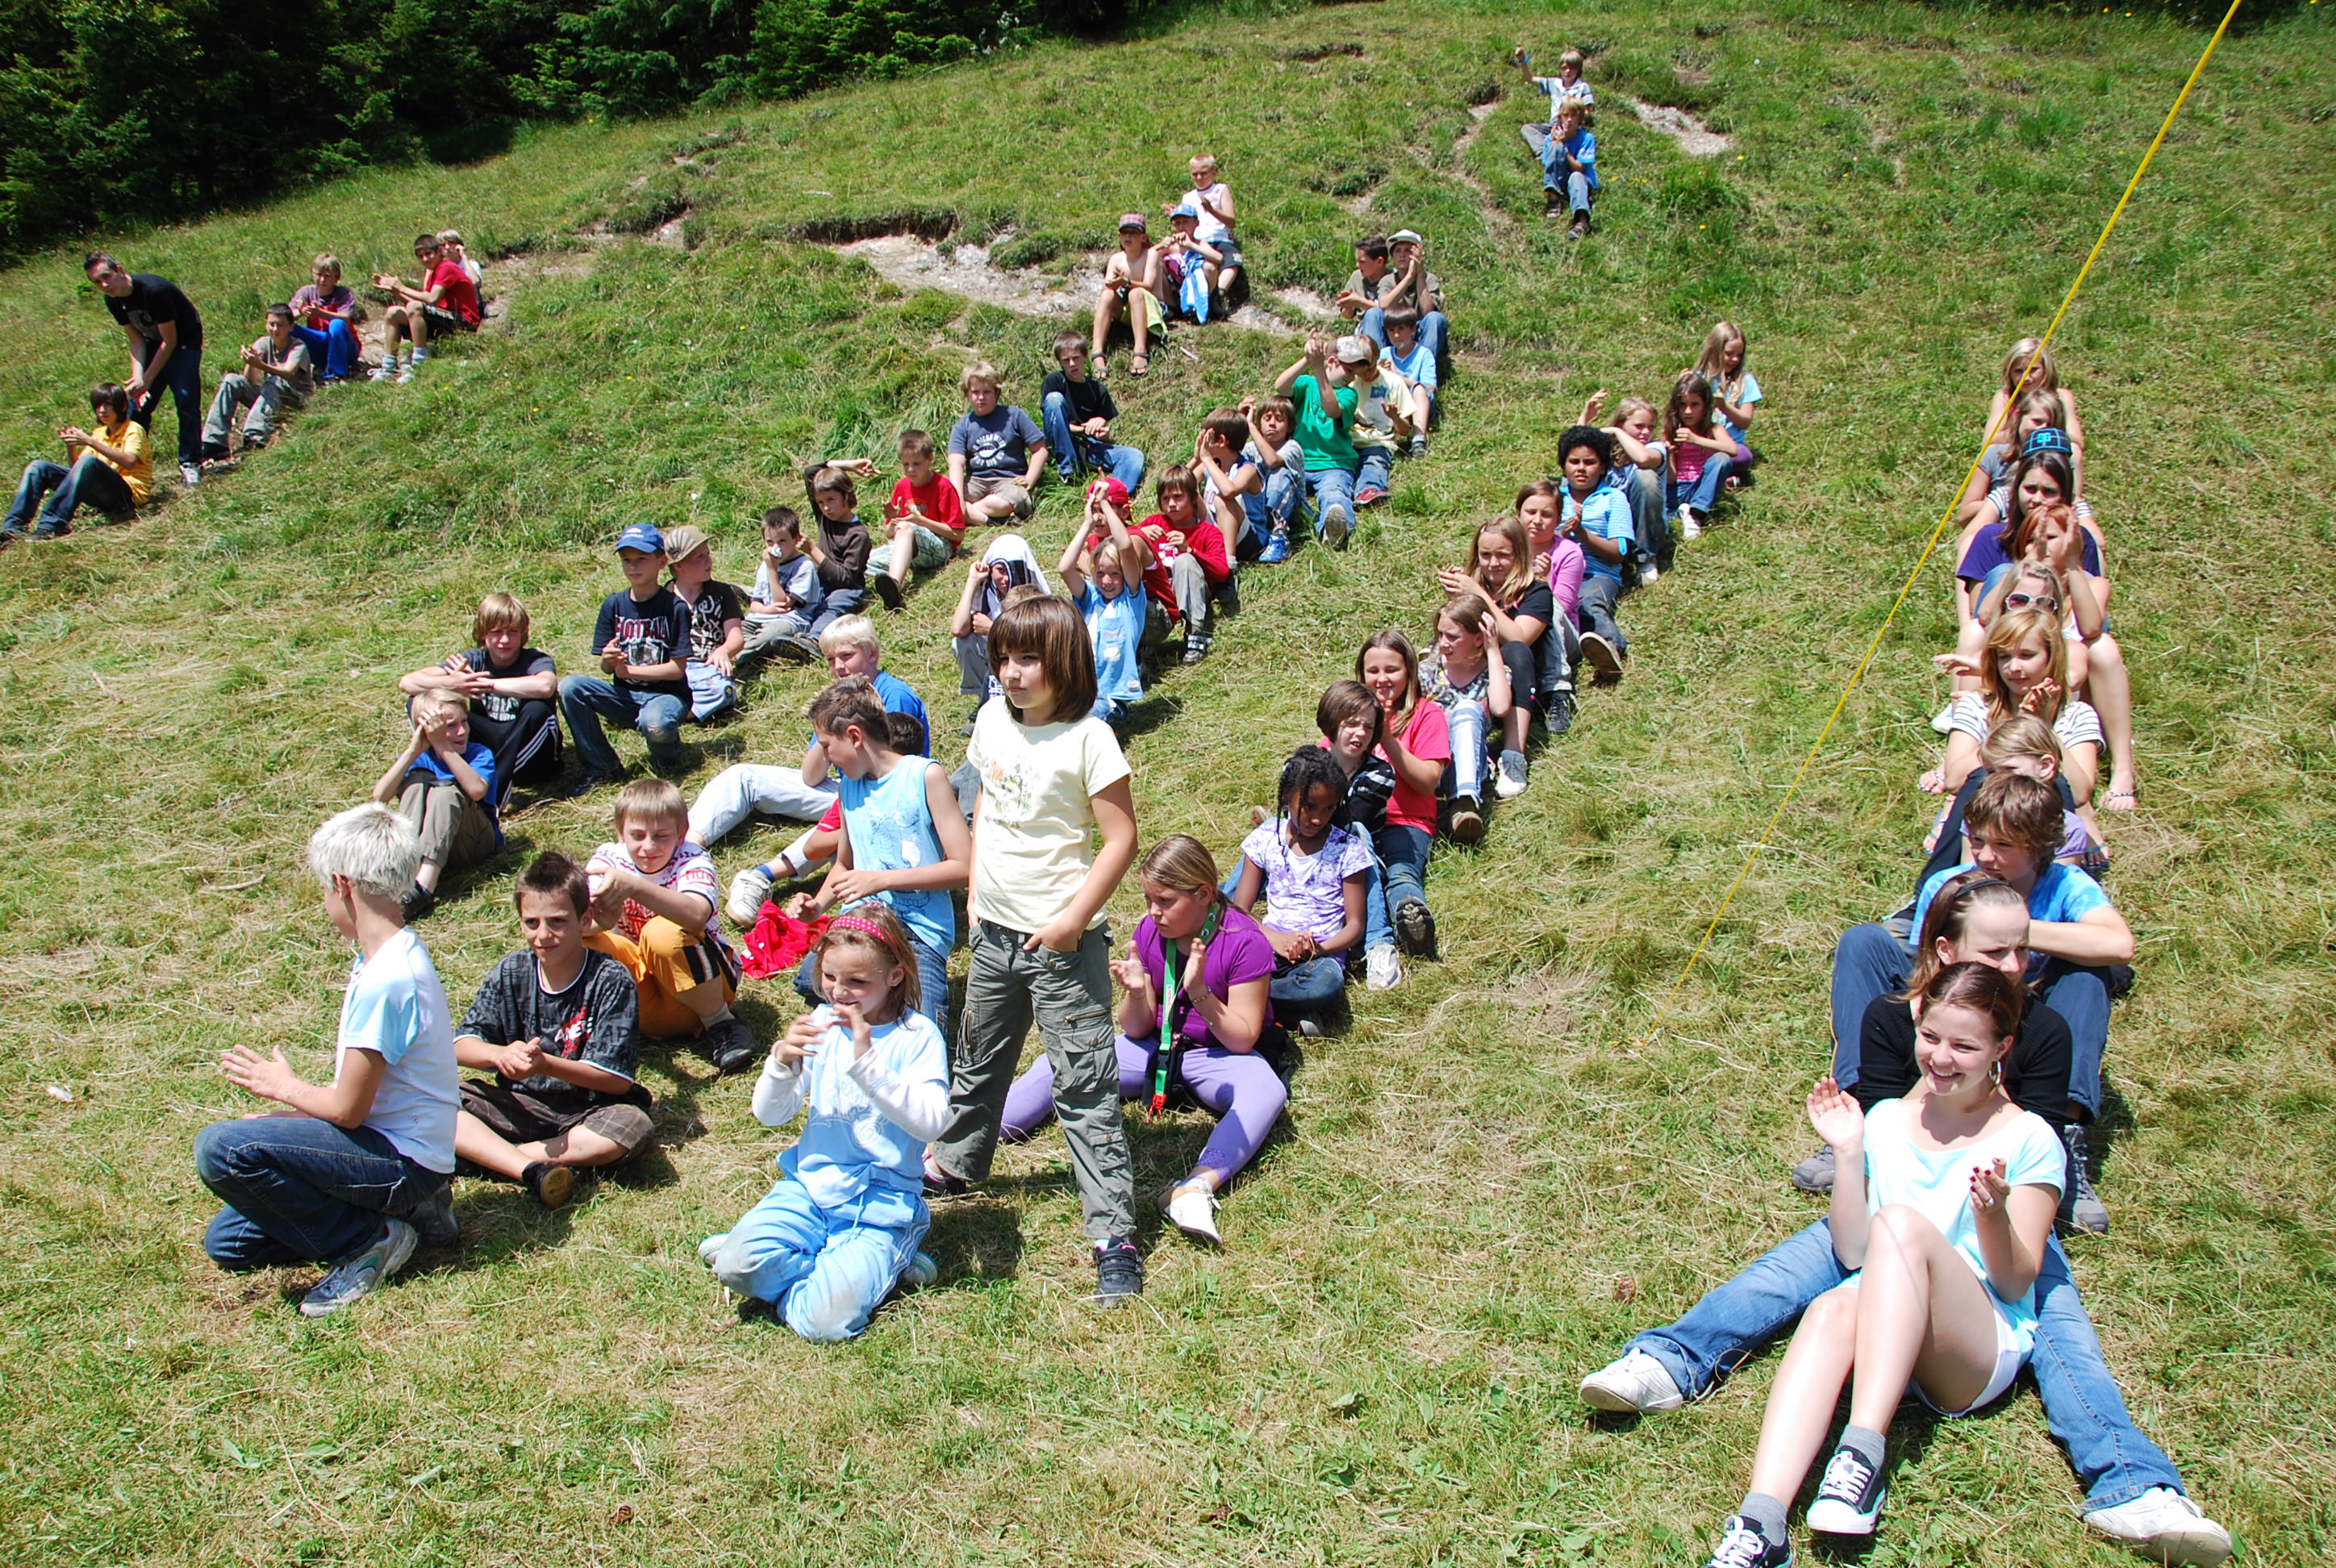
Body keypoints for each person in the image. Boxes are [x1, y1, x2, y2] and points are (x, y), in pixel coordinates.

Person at [1684, 963, 2067, 1564]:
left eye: (1965, 1047)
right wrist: (1848, 1151)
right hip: (1885, 1322)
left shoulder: (2030, 1138)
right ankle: (1762, 1523)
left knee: (1900, 1226)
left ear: (2002, 1048)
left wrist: (1994, 1216)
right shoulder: (1886, 1120)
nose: (1941, 1058)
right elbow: (1854, 1253)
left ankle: (1861, 1452)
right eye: (1931, 1037)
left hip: (1972, 1343)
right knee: (1830, 1306)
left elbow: (2017, 1282)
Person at [924, 597, 1145, 1303]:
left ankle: (1113, 1234)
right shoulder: (992, 720)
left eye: (1027, 659)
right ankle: (957, 1162)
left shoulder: (1090, 739)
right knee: (978, 1058)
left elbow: (1121, 839)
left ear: (1065, 662)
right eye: (1003, 659)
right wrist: (974, 893)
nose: (1011, 674)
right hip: (993, 933)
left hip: (1063, 948)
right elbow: (986, 804)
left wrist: (1073, 921)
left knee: (1084, 1087)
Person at [1821, 772, 2130, 1230]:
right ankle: (1857, 1108)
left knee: (2087, 975)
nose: (1986, 856)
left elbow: (2120, 945)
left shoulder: (2066, 884)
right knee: (1863, 941)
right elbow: (1932, 962)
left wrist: (2010, 931)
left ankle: (2063, 1137)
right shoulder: (1948, 883)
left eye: (2003, 846)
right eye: (1978, 841)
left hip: (2027, 1001)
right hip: (1953, 997)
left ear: (2039, 846)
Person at [190, 805, 457, 1316]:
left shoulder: (388, 979)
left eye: (324, 889)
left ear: (342, 884)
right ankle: (416, 1214)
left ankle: (369, 1242)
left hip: (403, 1161)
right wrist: (290, 1123)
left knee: (221, 1149)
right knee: (230, 1242)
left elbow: (348, 1112)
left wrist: (281, 1087)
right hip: (388, 1149)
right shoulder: (383, 958)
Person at [1003, 834, 1284, 1245]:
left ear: (1204, 895)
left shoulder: (1244, 940)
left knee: (1267, 1091)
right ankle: (973, 1136)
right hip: (1156, 1046)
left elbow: (1242, 1039)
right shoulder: (1150, 931)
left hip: (1218, 1055)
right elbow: (1136, 1029)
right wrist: (1137, 994)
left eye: (1165, 901)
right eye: (1149, 899)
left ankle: (1195, 1187)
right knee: (1063, 1061)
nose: (1154, 911)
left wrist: (1200, 993)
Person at [701, 906, 949, 1341]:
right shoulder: (822, 1023)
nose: (839, 992)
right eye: (830, 977)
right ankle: (831, 1265)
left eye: (857, 982)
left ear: (895, 976)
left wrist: (868, 1063)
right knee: (735, 1266)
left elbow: (932, 1124)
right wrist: (782, 1064)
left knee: (826, 1324)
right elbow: (770, 1115)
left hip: (880, 1206)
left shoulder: (918, 1036)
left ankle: (880, 1256)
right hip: (811, 1189)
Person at [452, 851, 656, 1211]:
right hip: (519, 1106)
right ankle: (534, 1165)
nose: (543, 935)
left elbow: (614, 1081)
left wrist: (545, 1065)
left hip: (589, 1112)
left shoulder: (609, 979)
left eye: (558, 922)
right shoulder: (512, 971)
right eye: (531, 923)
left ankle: (501, 1158)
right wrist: (499, 1054)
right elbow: (461, 1043)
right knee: (431, 1100)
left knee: (632, 1126)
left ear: (585, 919)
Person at [782, 677, 969, 1036]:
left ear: (854, 736)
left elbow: (963, 867)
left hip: (918, 931)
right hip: (861, 925)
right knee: (809, 980)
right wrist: (817, 906)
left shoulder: (924, 776)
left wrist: (881, 880)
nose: (826, 758)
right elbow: (845, 865)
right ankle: (877, 994)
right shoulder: (849, 787)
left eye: (826, 746)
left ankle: (885, 993)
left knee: (926, 1031)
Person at [692, 611, 928, 858]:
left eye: (847, 656)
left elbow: (890, 776)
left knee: (837, 828)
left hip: (878, 794)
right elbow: (811, 777)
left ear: (872, 654)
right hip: (841, 786)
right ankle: (687, 844)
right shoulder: (838, 702)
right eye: (831, 660)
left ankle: (766, 873)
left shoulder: (894, 696)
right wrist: (827, 727)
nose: (838, 667)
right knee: (742, 776)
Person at [585, 779, 755, 1071]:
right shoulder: (608, 859)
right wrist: (600, 922)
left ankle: (722, 1024)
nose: (648, 847)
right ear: (620, 832)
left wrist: (634, 887)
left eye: (661, 836)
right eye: (637, 835)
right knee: (586, 938)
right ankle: (595, 1026)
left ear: (681, 833)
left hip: (702, 995)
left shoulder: (691, 859)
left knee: (661, 932)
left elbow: (696, 914)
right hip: (642, 1002)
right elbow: (575, 924)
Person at [1233, 747, 1373, 1034]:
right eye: (1309, 806)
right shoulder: (1265, 839)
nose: (1318, 818)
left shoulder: (1347, 848)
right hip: (1268, 945)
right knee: (1229, 955)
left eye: (1328, 808)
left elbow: (1355, 926)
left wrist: (1318, 949)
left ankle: (1253, 999)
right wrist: (1274, 939)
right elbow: (1240, 911)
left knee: (1326, 983)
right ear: (1288, 796)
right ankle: (1293, 1011)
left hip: (1319, 958)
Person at [558, 523, 694, 792]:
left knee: (654, 723)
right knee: (569, 687)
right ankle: (602, 765)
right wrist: (609, 660)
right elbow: (607, 668)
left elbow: (677, 670)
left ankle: (667, 760)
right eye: (626, 560)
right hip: (626, 696)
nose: (633, 567)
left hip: (666, 697)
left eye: (641, 559)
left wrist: (629, 672)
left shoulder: (674, 607)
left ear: (661, 562)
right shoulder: (614, 604)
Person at [1926, 608, 2104, 807]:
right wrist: (2015, 727)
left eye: (2027, 655)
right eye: (2004, 657)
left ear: (2051, 657)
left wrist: (2043, 725)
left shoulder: (2078, 715)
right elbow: (1955, 781)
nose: (2014, 667)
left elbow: (2078, 795)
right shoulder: (1976, 706)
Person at [396, 591, 562, 796]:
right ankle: (443, 769)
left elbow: (546, 686)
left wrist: (486, 685)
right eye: (497, 632)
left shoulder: (534, 660)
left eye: (512, 632)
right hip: (489, 745)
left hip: (533, 758)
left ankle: (494, 794)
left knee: (538, 709)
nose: (505, 640)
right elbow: (408, 682)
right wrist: (450, 683)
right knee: (418, 701)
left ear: (523, 634)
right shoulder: (474, 660)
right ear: (484, 633)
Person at [1437, 515, 1552, 799]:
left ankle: (1513, 757)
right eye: (1485, 555)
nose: (1493, 563)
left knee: (1516, 651)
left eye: (1503, 555)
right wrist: (1456, 600)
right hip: (1474, 684)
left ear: (1520, 555)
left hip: (1518, 689)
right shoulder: (1475, 587)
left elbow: (1519, 636)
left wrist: (1477, 595)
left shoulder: (1536, 592)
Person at [1355, 630, 1448, 957]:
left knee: (1400, 873)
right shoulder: (1352, 716)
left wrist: (1386, 738)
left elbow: (1427, 782)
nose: (1382, 679)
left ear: (1409, 671)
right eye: (1373, 671)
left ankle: (1410, 916)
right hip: (1357, 820)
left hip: (1405, 822)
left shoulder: (1427, 714)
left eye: (1391, 670)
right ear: (1361, 674)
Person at [371, 690, 499, 921]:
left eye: (464, 722)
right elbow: (380, 797)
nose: (462, 731)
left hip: (474, 844)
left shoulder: (478, 753)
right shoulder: (422, 758)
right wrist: (413, 751)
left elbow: (477, 791)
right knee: (416, 781)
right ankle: (407, 870)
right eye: (450, 726)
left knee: (446, 792)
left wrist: (443, 746)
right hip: (431, 845)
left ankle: (424, 888)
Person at [84, 252, 204, 490]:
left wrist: (148, 379)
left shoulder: (154, 291)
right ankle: (130, 463)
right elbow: (136, 339)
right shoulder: (113, 300)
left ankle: (190, 463)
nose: (104, 285)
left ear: (119, 270)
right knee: (136, 406)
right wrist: (138, 378)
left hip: (183, 342)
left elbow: (170, 341)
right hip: (152, 342)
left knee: (186, 401)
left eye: (106, 276)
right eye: (97, 282)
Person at [1316, 680, 1405, 991]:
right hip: (1308, 856)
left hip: (1356, 865)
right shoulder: (1307, 763)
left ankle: (1379, 944)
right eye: (1351, 724)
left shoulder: (1381, 773)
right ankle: (1224, 905)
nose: (1360, 734)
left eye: (1368, 727)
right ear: (1331, 722)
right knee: (1269, 831)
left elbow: (1348, 820)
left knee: (1357, 833)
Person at [2, 382, 150, 542]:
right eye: (98, 406)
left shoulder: (134, 430)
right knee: (38, 467)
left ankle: (51, 525)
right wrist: (71, 447)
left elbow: (129, 461)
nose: (102, 410)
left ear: (122, 407)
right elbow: (79, 472)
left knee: (89, 461)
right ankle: (13, 528)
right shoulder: (100, 432)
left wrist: (90, 442)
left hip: (128, 496)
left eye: (108, 405)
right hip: (103, 494)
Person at [1421, 595, 1516, 839]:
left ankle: (1463, 805)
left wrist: (1493, 650)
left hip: (1470, 765)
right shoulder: (1430, 669)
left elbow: (1501, 708)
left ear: (1478, 638)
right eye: (1441, 634)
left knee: (1467, 709)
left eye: (1452, 637)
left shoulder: (1492, 673)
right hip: (1431, 762)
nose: (1444, 643)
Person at [1127, 464, 1233, 664]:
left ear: (1193, 498)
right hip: (1159, 594)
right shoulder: (1155, 522)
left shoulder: (1208, 532)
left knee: (1184, 561)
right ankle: (1141, 637)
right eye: (1165, 499)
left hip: (1192, 589)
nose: (1171, 505)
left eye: (1178, 497)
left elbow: (1222, 571)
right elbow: (1123, 544)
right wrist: (1139, 533)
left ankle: (1195, 631)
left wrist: (1191, 551)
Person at [1057, 499, 1149, 726]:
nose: (1107, 581)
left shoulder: (1130, 601)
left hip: (1110, 698)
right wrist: (1088, 524)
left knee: (1080, 723)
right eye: (1100, 573)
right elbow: (1065, 568)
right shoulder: (1090, 597)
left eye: (1115, 574)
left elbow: (1125, 547)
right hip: (1079, 691)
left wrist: (1106, 505)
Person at [1556, 424, 1635, 683]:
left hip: (1596, 573)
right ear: (1564, 465)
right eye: (1574, 462)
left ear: (1602, 468)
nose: (1581, 468)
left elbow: (1618, 553)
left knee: (1589, 603)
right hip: (1556, 569)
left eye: (1590, 462)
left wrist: (1582, 534)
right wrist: (1563, 534)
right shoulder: (1553, 497)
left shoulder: (1614, 498)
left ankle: (1610, 647)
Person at [1272, 331, 1364, 548]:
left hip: (1334, 464)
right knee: (1277, 488)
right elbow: (1280, 386)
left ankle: (1334, 530)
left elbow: (1332, 410)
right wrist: (1308, 359)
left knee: (1335, 493)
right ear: (1331, 361)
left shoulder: (1349, 394)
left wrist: (1319, 369)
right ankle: (1271, 526)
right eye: (1349, 370)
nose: (1352, 377)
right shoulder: (1306, 384)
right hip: (1299, 463)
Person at [949, 534, 1052, 727]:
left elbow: (1035, 639)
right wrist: (972, 581)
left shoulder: (1031, 596)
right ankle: (986, 698)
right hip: (994, 660)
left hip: (1023, 662)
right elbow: (958, 629)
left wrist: (993, 628)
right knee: (962, 642)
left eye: (1011, 571)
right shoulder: (987, 593)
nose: (1005, 579)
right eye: (1000, 570)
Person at [198, 303, 312, 461]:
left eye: (280, 325)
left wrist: (260, 364)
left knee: (275, 379)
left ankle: (254, 437)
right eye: (271, 324)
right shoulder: (264, 343)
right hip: (270, 397)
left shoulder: (298, 347)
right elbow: (250, 379)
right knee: (232, 380)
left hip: (294, 400)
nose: (275, 329)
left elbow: (288, 372)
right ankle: (214, 441)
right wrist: (251, 362)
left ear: (291, 327)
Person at [869, 430, 966, 608]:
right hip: (906, 547)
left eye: (916, 464)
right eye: (905, 464)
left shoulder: (943, 486)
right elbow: (889, 534)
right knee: (863, 561)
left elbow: (957, 535)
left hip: (939, 548)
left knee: (907, 527)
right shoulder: (901, 486)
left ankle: (895, 585)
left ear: (930, 459)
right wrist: (893, 521)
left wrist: (920, 521)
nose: (910, 470)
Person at [1515, 479, 1584, 730]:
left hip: (1562, 636)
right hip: (1517, 630)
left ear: (1557, 520)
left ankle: (1558, 693)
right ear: (1518, 514)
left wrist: (1541, 582)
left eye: (1546, 515)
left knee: (1548, 605)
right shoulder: (1506, 550)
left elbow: (1563, 605)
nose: (1537, 520)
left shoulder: (1569, 552)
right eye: (1530, 512)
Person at [1040, 330, 1145, 493]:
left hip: (1087, 446)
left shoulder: (1098, 389)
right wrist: (1085, 428)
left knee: (1134, 455)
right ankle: (1069, 471)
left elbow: (1103, 436)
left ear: (1085, 357)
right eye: (1066, 360)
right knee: (1054, 399)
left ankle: (1113, 496)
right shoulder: (1054, 381)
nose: (1072, 364)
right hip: (1058, 444)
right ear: (1060, 363)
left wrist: (1101, 432)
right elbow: (1054, 422)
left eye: (1076, 358)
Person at [661, 525, 745, 722]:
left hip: (707, 667)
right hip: (674, 666)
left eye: (707, 554)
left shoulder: (722, 593)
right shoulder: (663, 597)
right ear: (678, 566)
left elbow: (736, 637)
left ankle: (678, 715)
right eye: (700, 557)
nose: (709, 561)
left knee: (723, 691)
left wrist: (724, 651)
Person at [371, 233, 480, 384]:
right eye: (420, 256)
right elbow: (420, 307)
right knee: (393, 313)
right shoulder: (434, 272)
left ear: (439, 251)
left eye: (428, 254)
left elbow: (431, 299)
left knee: (414, 307)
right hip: (444, 317)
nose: (425, 259)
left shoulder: (446, 267)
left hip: (464, 323)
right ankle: (388, 367)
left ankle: (419, 363)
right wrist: (395, 291)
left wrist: (401, 287)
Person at [949, 363, 1048, 525]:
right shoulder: (962, 425)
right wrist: (957, 499)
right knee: (946, 498)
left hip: (1009, 481)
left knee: (1005, 502)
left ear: (996, 393)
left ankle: (969, 513)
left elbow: (1040, 450)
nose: (981, 397)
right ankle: (991, 520)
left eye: (987, 392)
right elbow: (956, 464)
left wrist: (1029, 479)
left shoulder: (1015, 415)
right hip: (975, 481)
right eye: (975, 392)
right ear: (967, 394)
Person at [1988, 336, 2085, 498]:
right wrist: (2024, 430)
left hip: (2053, 453)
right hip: (2017, 452)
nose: (2026, 378)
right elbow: (1990, 439)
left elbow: (2076, 440)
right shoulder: (2005, 398)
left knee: (2075, 451)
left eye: (2033, 370)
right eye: (2018, 371)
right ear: (2009, 373)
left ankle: (2074, 499)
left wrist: (2045, 434)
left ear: (2046, 369)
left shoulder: (2062, 396)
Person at [740, 506, 824, 665]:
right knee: (736, 630)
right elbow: (755, 604)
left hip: (789, 620)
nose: (775, 548)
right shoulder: (765, 565)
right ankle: (756, 649)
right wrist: (766, 610)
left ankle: (742, 656)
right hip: (762, 616)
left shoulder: (804, 566)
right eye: (770, 542)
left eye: (782, 541)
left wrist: (773, 570)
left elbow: (783, 604)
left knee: (770, 635)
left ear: (795, 539)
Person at [798, 463, 873, 632]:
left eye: (831, 500)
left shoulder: (858, 535)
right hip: (820, 581)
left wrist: (813, 550)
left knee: (829, 609)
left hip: (846, 589)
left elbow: (845, 579)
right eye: (820, 502)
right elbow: (810, 471)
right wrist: (850, 466)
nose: (826, 507)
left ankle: (812, 639)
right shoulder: (825, 517)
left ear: (846, 496)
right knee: (799, 598)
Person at [1093, 214, 1168, 379]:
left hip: (1151, 307)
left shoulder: (1150, 255)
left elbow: (1148, 285)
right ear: (1119, 236)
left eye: (1133, 233)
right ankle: (1097, 353)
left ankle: (1140, 351)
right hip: (1127, 308)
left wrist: (1126, 282)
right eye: (1124, 233)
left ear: (1143, 237)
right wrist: (1113, 284)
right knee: (1107, 295)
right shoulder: (1116, 258)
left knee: (1136, 293)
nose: (1128, 237)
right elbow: (1108, 285)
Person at [1664, 369, 1736, 537]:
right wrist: (1668, 455)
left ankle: (1695, 512)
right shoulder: (1670, 430)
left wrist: (1696, 440)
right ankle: (1689, 512)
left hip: (1702, 486)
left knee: (1722, 459)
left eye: (1695, 405)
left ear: (1705, 406)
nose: (1688, 411)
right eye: (1683, 405)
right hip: (1678, 488)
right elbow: (1671, 478)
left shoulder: (1713, 429)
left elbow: (1733, 450)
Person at [1345, 343, 1414, 510]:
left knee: (1373, 463)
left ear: (1377, 359)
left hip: (1378, 442)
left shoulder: (1394, 383)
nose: (1366, 374)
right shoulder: (1348, 382)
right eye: (1361, 371)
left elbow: (1405, 431)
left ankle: (1369, 490)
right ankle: (1341, 496)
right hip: (1349, 441)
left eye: (1370, 368)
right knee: (1342, 469)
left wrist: (1394, 417)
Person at [1237, 394, 1304, 563]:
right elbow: (1230, 456)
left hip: (1287, 509)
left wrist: (1251, 426)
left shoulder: (1292, 447)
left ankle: (1279, 537)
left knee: (1279, 473)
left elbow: (1272, 461)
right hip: (1258, 510)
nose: (1272, 424)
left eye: (1279, 419)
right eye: (1267, 419)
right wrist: (1240, 421)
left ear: (1289, 426)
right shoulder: (1250, 449)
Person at [1695, 320, 1764, 480]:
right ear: (1714, 349)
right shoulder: (1698, 378)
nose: (1734, 359)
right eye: (1729, 353)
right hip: (1702, 443)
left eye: (1739, 355)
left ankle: (1711, 475)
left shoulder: (1745, 381)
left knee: (1743, 457)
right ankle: (1720, 477)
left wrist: (1724, 406)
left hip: (1731, 446)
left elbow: (1745, 421)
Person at [1176, 152, 1241, 299]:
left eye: (1204, 173)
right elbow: (1186, 222)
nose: (1199, 178)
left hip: (1221, 238)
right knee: (1204, 266)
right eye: (1195, 174)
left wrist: (1211, 210)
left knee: (1233, 260)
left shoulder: (1221, 190)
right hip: (1199, 240)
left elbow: (1231, 222)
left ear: (1214, 172)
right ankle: (1204, 294)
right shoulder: (1188, 197)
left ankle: (1219, 292)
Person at [289, 253, 361, 384]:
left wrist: (320, 313)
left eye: (327, 276)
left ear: (336, 278)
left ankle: (336, 374)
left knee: (337, 324)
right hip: (320, 344)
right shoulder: (306, 292)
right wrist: (300, 312)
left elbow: (346, 319)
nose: (322, 280)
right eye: (318, 275)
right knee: (289, 328)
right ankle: (291, 368)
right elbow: (286, 317)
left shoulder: (343, 293)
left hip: (346, 348)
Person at [1378, 308, 1438, 459]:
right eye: (1392, 331)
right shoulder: (1384, 353)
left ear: (1413, 330)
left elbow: (1430, 388)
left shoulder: (1424, 354)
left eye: (1401, 329)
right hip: (1393, 401)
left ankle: (1418, 439)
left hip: (1418, 401)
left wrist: (1398, 377)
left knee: (1419, 389)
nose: (1396, 335)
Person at [1156, 200, 1224, 323]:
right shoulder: (1170, 245)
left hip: (1196, 286)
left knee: (1210, 267)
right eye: (1177, 223)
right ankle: (1171, 307)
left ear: (1196, 223)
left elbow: (1219, 258)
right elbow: (1147, 258)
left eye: (1186, 222)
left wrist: (1191, 246)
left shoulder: (1200, 243)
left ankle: (1204, 305)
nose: (1181, 227)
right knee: (1157, 263)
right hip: (1175, 288)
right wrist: (1160, 246)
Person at [1542, 100, 1599, 236]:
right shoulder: (1550, 139)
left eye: (1573, 116)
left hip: (1581, 179)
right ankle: (1553, 197)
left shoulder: (1587, 138)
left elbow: (1579, 168)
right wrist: (1558, 144)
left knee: (1576, 177)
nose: (1569, 120)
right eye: (1566, 115)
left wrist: (1564, 147)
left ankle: (1582, 222)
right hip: (1561, 179)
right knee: (1555, 146)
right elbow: (1549, 166)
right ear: (1560, 118)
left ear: (1580, 119)